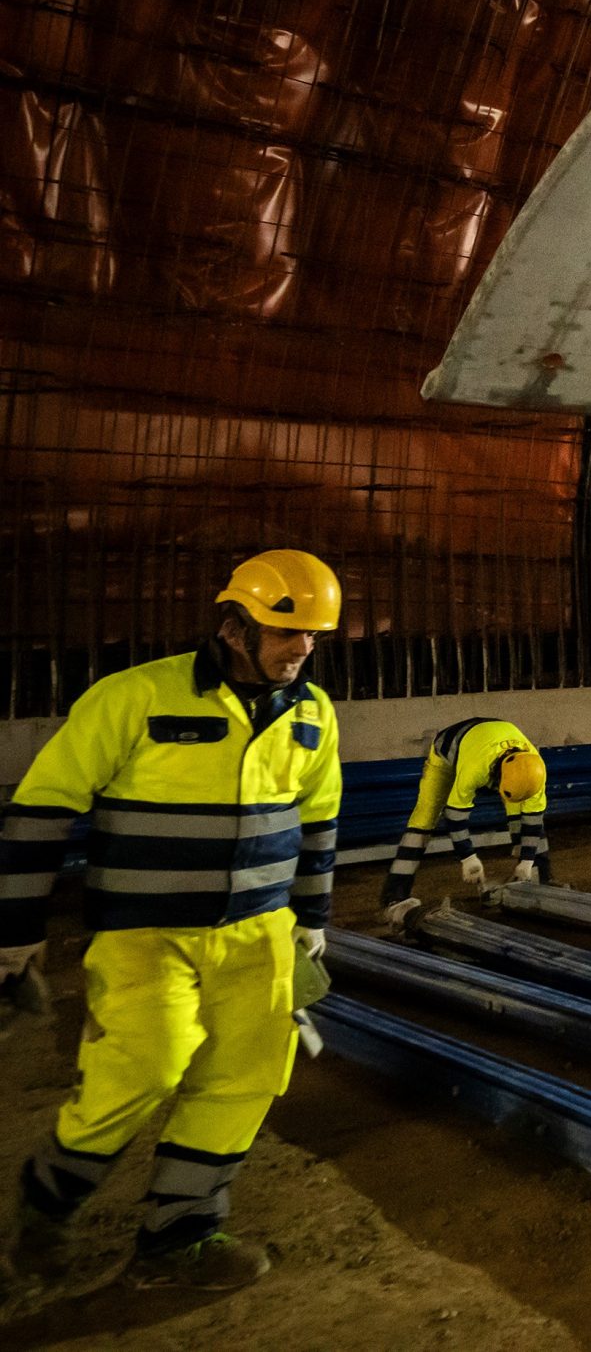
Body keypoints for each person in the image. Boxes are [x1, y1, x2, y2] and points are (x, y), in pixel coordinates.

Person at [1, 550, 343, 1294]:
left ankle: (179, 1236)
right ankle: (44, 1204)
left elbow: (318, 822)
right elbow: (43, 809)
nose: (303, 649)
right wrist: (14, 931)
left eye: (314, 635)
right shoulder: (133, 697)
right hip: (143, 934)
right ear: (232, 626)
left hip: (259, 937)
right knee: (143, 1068)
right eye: (287, 633)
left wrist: (312, 921)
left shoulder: (313, 713)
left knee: (244, 1080)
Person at [377, 719, 549, 926]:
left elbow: (534, 818)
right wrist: (468, 857)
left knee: (520, 810)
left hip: (495, 742)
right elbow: (455, 813)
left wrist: (527, 861)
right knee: (425, 817)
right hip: (448, 752)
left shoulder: (535, 771)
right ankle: (394, 895)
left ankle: (540, 882)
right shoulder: (475, 769)